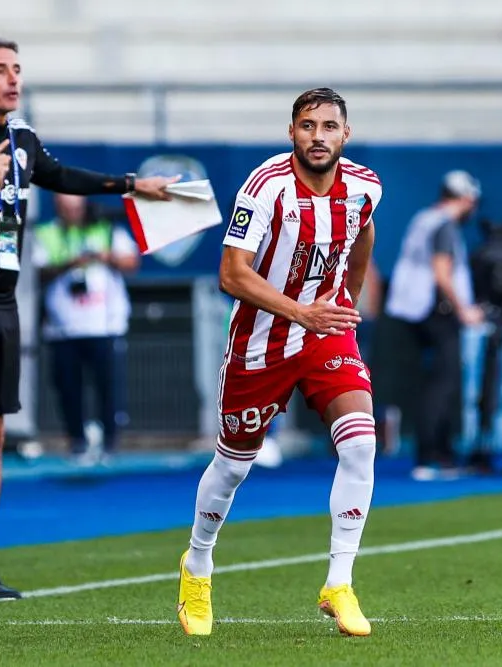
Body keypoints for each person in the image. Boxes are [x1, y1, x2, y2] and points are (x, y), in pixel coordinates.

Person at [0, 37, 175, 601]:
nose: (12, 79)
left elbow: (61, 175)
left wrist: (132, 185)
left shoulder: (22, 136)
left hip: (2, 299)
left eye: (17, 69)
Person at [176, 88, 382, 637]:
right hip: (262, 341)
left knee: (361, 443)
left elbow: (363, 232)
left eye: (329, 126)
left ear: (346, 133)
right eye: (308, 126)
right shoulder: (266, 187)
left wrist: (346, 303)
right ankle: (197, 565)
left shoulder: (365, 186)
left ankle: (339, 581)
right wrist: (301, 313)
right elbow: (231, 274)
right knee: (233, 466)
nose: (319, 136)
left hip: (323, 335)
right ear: (292, 132)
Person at [382, 171, 484, 482]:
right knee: (444, 382)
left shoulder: (423, 218)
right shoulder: (444, 225)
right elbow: (442, 273)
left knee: (434, 382)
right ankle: (432, 456)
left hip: (411, 309)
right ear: (466, 199)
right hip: (435, 309)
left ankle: (440, 454)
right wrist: (464, 309)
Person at [32, 194, 139, 465]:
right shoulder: (47, 233)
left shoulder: (106, 229)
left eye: (76, 208)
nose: (72, 213)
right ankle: (76, 441)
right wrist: (71, 263)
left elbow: (131, 262)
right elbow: (37, 271)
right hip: (64, 327)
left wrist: (106, 258)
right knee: (69, 388)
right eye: (66, 209)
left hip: (104, 325)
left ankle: (110, 442)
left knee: (108, 387)